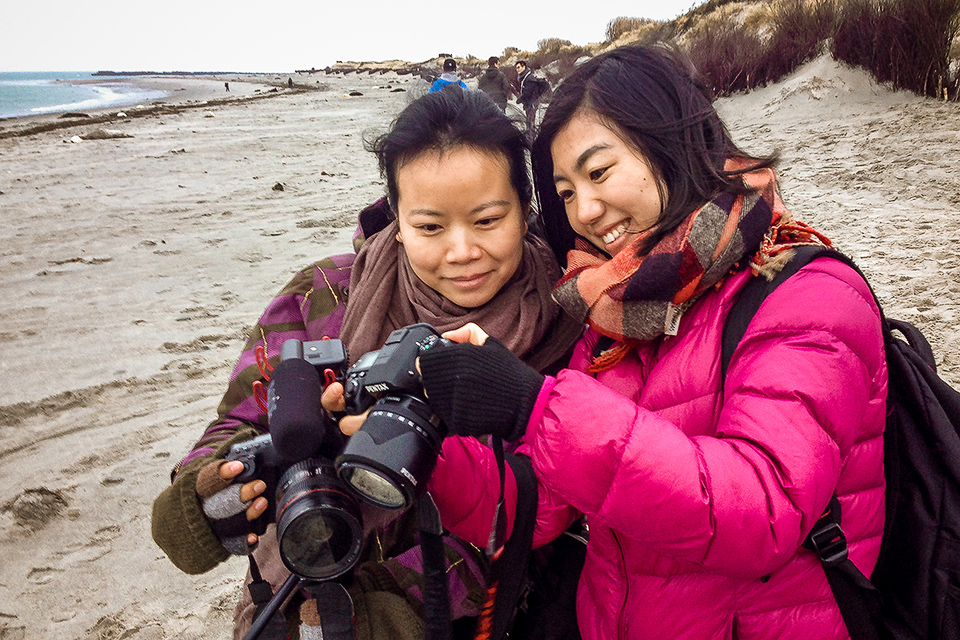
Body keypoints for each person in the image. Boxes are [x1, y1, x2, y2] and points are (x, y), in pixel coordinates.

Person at [410, 45, 888, 639]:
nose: (585, 210)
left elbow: (763, 511)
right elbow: (541, 509)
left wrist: (536, 407)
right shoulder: (618, 310)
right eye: (564, 191)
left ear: (669, 141)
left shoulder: (809, 294)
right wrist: (424, 441)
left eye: (599, 172)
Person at [151, 88, 582, 639]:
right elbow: (240, 419)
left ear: (524, 210)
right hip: (292, 594)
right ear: (396, 220)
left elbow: (547, 512)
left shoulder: (569, 322)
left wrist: (393, 612)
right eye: (430, 227)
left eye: (487, 220)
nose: (461, 251)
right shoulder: (322, 294)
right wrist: (214, 491)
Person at [515, 60, 544, 135]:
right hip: (530, 102)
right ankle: (531, 135)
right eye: (516, 68)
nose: (517, 69)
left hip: (532, 103)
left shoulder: (529, 78)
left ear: (524, 67)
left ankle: (531, 137)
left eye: (519, 67)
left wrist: (520, 99)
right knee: (530, 120)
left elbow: (528, 92)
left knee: (530, 121)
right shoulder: (526, 77)